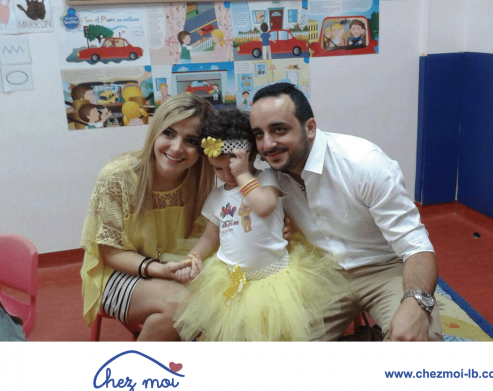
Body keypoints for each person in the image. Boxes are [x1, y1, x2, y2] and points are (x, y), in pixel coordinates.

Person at [249, 83, 443, 341]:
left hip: (385, 267)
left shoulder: (363, 163)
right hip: (322, 273)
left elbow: (416, 246)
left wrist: (416, 302)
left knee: (415, 338)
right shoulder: (270, 180)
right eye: (259, 134)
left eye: (279, 130)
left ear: (310, 128)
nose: (267, 144)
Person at [173, 108, 349, 341]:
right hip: (231, 278)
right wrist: (194, 256)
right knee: (238, 336)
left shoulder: (265, 178)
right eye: (218, 169)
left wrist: (242, 174)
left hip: (275, 279)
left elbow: (264, 205)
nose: (227, 175)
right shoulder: (216, 197)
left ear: (251, 156)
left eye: (232, 167)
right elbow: (210, 236)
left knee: (278, 335)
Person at [80, 93, 215, 341]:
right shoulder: (118, 177)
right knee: (181, 306)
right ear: (155, 133)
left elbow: (204, 237)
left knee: (223, 299)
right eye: (169, 133)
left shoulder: (201, 181)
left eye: (191, 140)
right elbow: (110, 253)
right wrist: (160, 270)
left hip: (173, 269)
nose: (177, 148)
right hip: (117, 274)